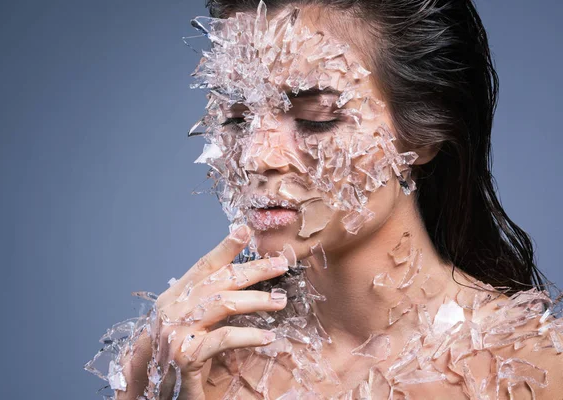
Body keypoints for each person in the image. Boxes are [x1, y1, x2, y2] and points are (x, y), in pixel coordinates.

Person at [86, 1, 563, 398]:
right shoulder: (187, 357)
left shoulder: (536, 367)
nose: (256, 156)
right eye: (235, 117)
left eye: (316, 117)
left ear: (423, 135)